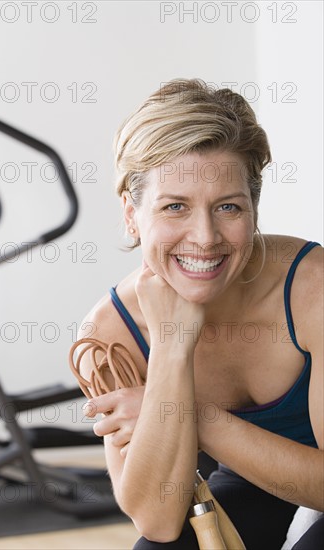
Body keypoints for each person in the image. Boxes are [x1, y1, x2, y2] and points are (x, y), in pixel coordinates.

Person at [75, 79, 323, 549]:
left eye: (228, 206)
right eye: (175, 207)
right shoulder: (110, 334)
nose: (205, 237)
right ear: (131, 212)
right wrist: (170, 345)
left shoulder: (313, 290)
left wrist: (187, 413)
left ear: (253, 208)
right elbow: (158, 521)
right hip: (252, 479)